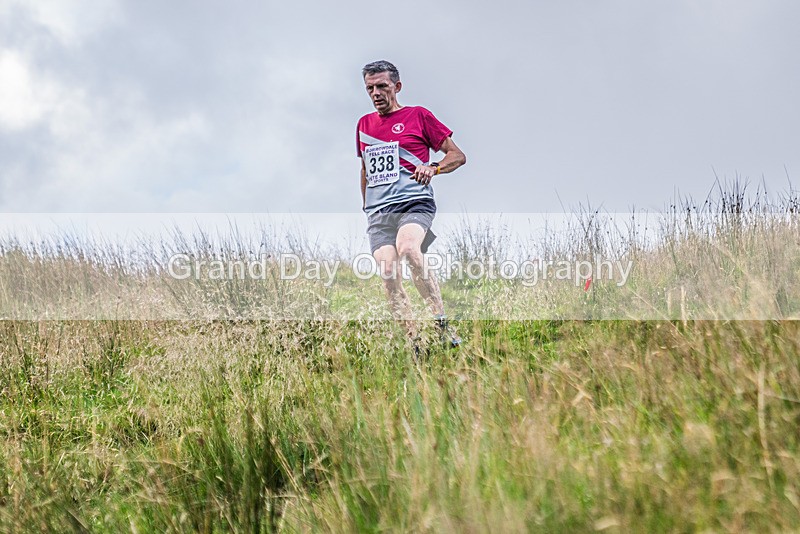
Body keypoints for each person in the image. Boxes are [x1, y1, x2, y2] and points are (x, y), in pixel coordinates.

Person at [356, 60, 467, 354]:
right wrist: (367, 208)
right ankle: (413, 342)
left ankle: (441, 325)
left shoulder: (418, 116)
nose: (376, 93)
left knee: (407, 249)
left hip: (415, 202)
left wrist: (434, 168)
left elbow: (457, 155)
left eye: (382, 86)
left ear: (397, 86)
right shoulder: (364, 125)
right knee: (388, 271)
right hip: (379, 212)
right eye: (370, 88)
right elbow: (365, 169)